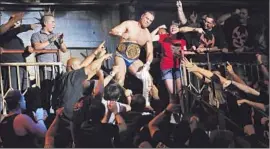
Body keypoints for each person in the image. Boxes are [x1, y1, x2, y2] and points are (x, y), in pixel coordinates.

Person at [52, 41, 112, 147]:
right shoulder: (72, 76)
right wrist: (102, 58)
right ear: (73, 67)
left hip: (66, 119)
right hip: (69, 121)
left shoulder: (66, 77)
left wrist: (95, 53)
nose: (82, 66)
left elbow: (84, 65)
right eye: (79, 66)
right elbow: (90, 68)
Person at [109, 11, 156, 108]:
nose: (148, 21)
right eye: (147, 18)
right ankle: (113, 106)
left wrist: (147, 64)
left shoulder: (147, 35)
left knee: (148, 79)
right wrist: (121, 34)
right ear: (142, 16)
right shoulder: (129, 24)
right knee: (120, 80)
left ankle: (147, 104)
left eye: (150, 21)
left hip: (134, 59)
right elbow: (112, 31)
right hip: (121, 55)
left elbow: (150, 53)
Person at [31, 8, 68, 112]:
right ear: (45, 23)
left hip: (56, 69)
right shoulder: (36, 35)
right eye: (52, 22)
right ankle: (45, 112)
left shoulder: (54, 35)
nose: (54, 25)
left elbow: (64, 50)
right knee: (45, 91)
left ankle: (55, 112)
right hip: (45, 67)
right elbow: (37, 47)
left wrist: (60, 41)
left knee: (57, 91)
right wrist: (50, 40)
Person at [0, 12, 38, 92]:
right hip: (11, 68)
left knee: (25, 91)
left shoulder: (19, 40)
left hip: (22, 67)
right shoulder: (3, 35)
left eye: (18, 22)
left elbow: (21, 55)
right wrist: (27, 26)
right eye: (15, 21)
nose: (16, 24)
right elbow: (8, 30)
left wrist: (27, 51)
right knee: (13, 92)